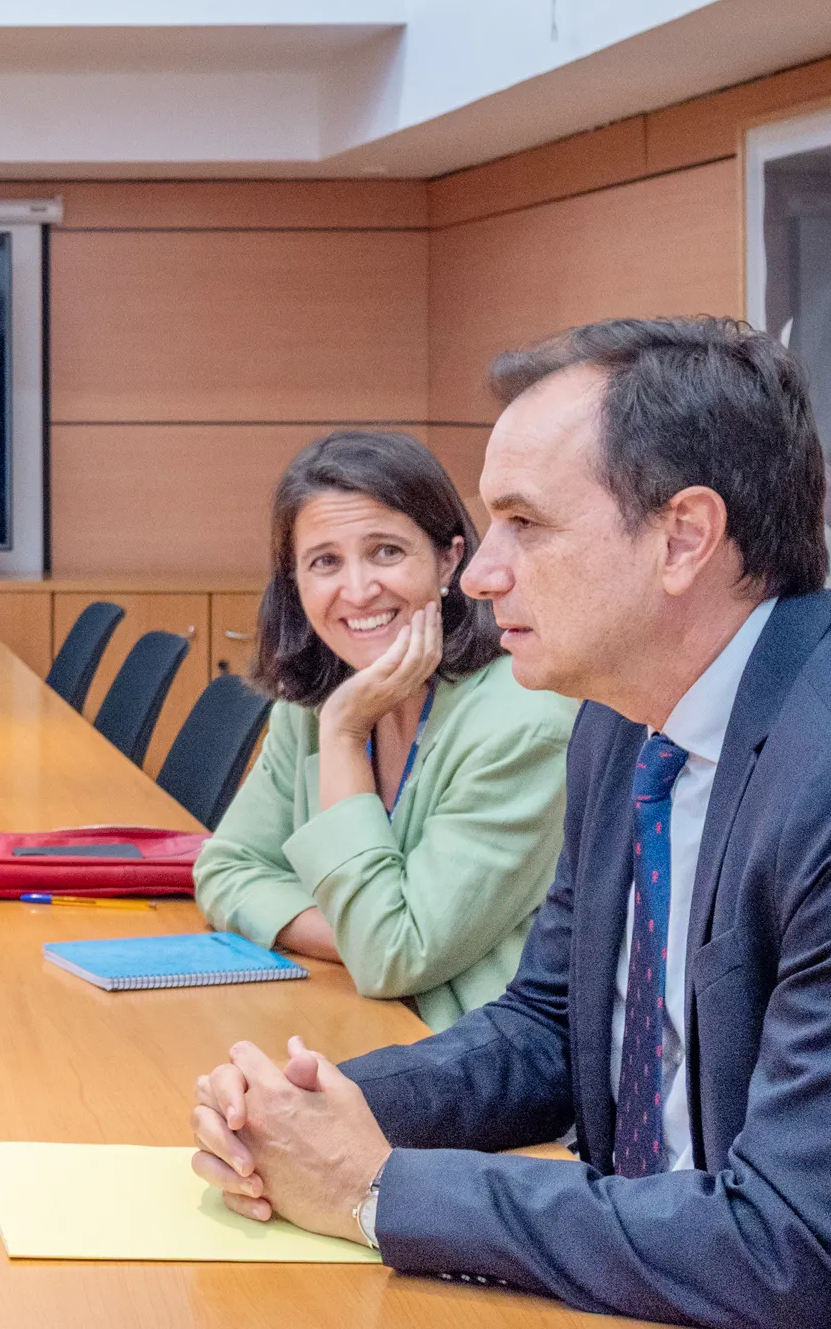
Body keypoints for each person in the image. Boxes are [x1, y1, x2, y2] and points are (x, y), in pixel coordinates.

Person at [187, 319, 831, 1327]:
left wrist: (379, 1191)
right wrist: (324, 1110)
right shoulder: (626, 720)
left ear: (683, 537)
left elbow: (791, 1245)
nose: (478, 573)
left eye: (525, 525)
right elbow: (551, 1026)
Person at [192, 431, 575, 1029]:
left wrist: (346, 735)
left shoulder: (524, 724)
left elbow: (394, 955)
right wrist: (358, 934)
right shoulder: (313, 701)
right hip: (346, 1020)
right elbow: (226, 869)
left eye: (387, 552)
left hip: (470, 1074)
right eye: (325, 562)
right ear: (296, 583)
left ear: (450, 560)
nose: (358, 589)